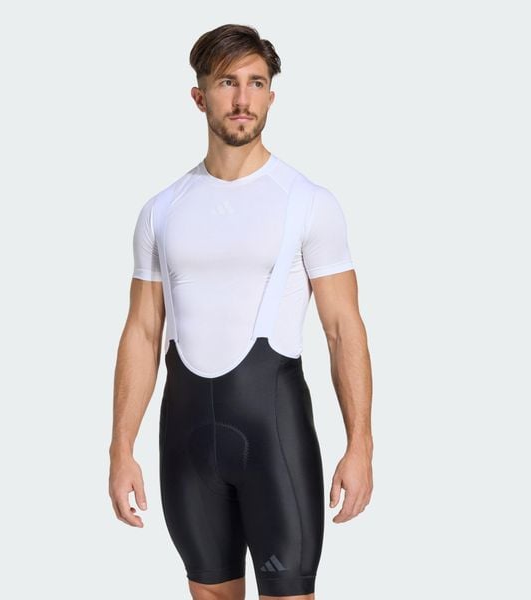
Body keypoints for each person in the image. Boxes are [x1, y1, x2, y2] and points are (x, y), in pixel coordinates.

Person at [109, 23, 373, 600]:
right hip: (186, 444)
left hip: (275, 438)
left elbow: (342, 330)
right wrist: (120, 448)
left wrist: (361, 445)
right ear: (199, 96)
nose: (242, 98)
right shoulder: (162, 210)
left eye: (256, 83)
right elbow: (142, 332)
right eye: (227, 82)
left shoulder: (308, 203)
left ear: (271, 96)